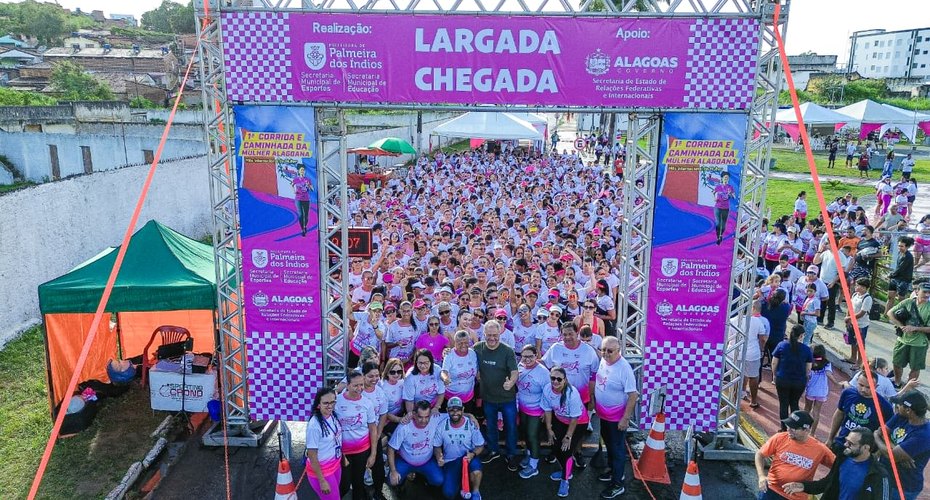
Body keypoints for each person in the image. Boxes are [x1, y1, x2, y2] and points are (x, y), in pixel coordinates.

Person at [541, 322, 599, 469]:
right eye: (564, 334)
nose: (567, 337)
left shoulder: (588, 350)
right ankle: (556, 452)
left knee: (579, 429)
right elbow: (543, 364)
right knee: (558, 426)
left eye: (570, 334)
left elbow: (594, 374)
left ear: (577, 333)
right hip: (558, 397)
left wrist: (592, 396)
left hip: (582, 397)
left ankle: (578, 452)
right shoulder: (556, 348)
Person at [782, 426, 890, 500]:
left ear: (866, 447)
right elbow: (828, 483)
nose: (845, 445)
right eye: (846, 440)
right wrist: (803, 486)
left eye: (851, 444)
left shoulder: (879, 474)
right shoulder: (843, 458)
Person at [594, 336, 638, 499]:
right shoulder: (605, 361)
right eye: (603, 349)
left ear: (618, 351)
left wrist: (625, 419)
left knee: (617, 449)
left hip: (616, 418)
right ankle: (614, 472)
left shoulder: (623, 368)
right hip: (604, 415)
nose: (605, 353)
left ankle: (618, 484)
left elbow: (633, 395)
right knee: (610, 447)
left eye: (609, 351)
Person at [755, 410, 835, 500]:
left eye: (794, 428)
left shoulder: (820, 449)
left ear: (806, 430)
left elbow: (838, 466)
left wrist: (820, 484)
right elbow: (760, 454)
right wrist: (761, 476)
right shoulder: (779, 438)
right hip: (771, 490)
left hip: (797, 497)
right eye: (788, 426)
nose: (789, 429)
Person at [473, 319, 520, 470]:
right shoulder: (477, 348)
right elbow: (462, 354)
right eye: (489, 335)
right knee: (491, 426)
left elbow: (514, 371)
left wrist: (511, 382)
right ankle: (493, 450)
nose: (492, 338)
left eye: (495, 335)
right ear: (484, 334)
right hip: (488, 398)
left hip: (507, 398)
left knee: (511, 427)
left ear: (500, 334)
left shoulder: (507, 350)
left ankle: (511, 454)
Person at [875, 391, 930, 500]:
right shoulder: (901, 416)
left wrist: (875, 436)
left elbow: (891, 456)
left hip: (902, 487)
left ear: (908, 410)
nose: (897, 407)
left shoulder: (923, 435)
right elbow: (882, 432)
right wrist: (896, 448)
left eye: (899, 405)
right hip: (884, 476)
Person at [542, 366, 585, 498]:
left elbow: (574, 418)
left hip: (578, 422)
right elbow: (548, 410)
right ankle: (566, 471)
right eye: (552, 378)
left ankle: (565, 480)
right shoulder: (547, 389)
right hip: (560, 420)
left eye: (559, 379)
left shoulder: (572, 394)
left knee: (566, 450)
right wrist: (549, 429)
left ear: (565, 380)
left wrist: (568, 437)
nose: (555, 381)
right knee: (555, 446)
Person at [825, 373, 893, 456]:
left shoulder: (885, 406)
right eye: (861, 385)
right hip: (842, 443)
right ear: (856, 381)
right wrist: (830, 438)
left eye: (868, 387)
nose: (863, 389)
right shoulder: (847, 393)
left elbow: (887, 432)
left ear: (876, 386)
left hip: (861, 452)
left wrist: (877, 453)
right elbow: (839, 414)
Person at [336, 372, 378, 500]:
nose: (359, 388)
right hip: (343, 453)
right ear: (347, 385)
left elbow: (373, 429)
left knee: (358, 483)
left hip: (362, 451)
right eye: (355, 385)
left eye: (361, 385)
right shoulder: (337, 401)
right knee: (343, 485)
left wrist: (373, 453)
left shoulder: (367, 403)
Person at [433, 397, 485, 500]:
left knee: (476, 472)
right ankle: (460, 480)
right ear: (447, 410)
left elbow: (480, 445)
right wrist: (439, 456)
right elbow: (436, 446)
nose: (455, 412)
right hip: (451, 461)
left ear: (463, 410)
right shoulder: (441, 425)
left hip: (468, 457)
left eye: (458, 409)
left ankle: (475, 492)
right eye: (452, 409)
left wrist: (473, 454)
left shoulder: (470, 424)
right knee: (448, 493)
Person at [387, 400, 445, 491]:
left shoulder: (435, 418)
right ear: (414, 414)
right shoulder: (404, 427)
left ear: (430, 414)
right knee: (392, 481)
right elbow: (391, 448)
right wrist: (393, 471)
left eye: (427, 417)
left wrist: (470, 415)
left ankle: (423, 479)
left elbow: (452, 415)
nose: (424, 421)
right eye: (420, 417)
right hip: (405, 461)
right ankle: (402, 483)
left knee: (438, 480)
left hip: (427, 461)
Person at [516, 344, 551, 479]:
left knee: (532, 436)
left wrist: (545, 411)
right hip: (523, 408)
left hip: (536, 410)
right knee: (525, 434)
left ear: (536, 356)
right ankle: (529, 455)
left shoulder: (543, 372)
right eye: (524, 356)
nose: (527, 359)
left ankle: (534, 465)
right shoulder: (520, 366)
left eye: (530, 356)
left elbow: (548, 393)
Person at [887, 281, 930, 388]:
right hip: (902, 340)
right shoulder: (908, 302)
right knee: (896, 363)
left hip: (920, 343)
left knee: (915, 368)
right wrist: (901, 326)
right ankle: (897, 382)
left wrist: (915, 328)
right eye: (924, 292)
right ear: (916, 291)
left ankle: (908, 388)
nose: (927, 295)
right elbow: (890, 313)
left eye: (929, 292)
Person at [772, 325, 813, 428]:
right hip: (799, 381)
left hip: (783, 379)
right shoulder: (806, 350)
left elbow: (774, 363)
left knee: (783, 404)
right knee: (794, 403)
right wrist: (806, 379)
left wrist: (774, 375)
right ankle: (795, 426)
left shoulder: (782, 345)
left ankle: (783, 428)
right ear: (801, 336)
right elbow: (808, 369)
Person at [305, 387, 343, 500]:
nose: (330, 406)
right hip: (323, 472)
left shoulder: (333, 416)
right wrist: (321, 480)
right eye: (326, 403)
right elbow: (312, 455)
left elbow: (337, 439)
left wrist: (343, 457)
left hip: (335, 465)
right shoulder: (314, 425)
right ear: (318, 404)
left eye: (332, 402)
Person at [440, 330, 479, 415]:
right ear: (455, 343)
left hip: (468, 398)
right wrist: (445, 378)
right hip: (451, 397)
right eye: (460, 343)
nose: (463, 345)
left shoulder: (473, 353)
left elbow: (477, 372)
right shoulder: (449, 355)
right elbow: (444, 371)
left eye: (466, 342)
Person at [816, 245, 852, 329]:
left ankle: (830, 322)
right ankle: (820, 319)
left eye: (828, 243)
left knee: (831, 302)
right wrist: (819, 251)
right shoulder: (825, 253)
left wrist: (833, 282)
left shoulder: (840, 256)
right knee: (822, 300)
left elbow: (842, 271)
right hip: (823, 281)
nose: (826, 245)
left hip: (833, 282)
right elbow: (816, 261)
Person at [802, 344, 833, 434]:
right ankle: (812, 433)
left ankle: (804, 429)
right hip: (822, 392)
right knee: (816, 412)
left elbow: (807, 376)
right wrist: (837, 383)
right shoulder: (827, 363)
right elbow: (828, 374)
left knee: (807, 409)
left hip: (811, 390)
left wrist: (803, 388)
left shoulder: (809, 363)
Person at [845, 278, 874, 370]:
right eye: (857, 285)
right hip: (852, 323)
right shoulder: (855, 295)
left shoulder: (867, 298)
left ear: (865, 288)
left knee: (860, 344)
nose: (856, 287)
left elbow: (862, 313)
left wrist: (849, 318)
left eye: (859, 286)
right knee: (852, 341)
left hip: (861, 324)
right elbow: (850, 306)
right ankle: (853, 358)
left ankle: (859, 362)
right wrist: (848, 318)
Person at [714, 171, 736, 245]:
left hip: (726, 208)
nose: (726, 179)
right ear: (722, 178)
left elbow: (734, 197)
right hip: (718, 207)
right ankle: (717, 237)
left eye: (727, 178)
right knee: (718, 223)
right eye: (725, 177)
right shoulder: (718, 187)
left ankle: (721, 235)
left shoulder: (730, 187)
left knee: (723, 224)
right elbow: (715, 195)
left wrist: (730, 194)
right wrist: (716, 198)